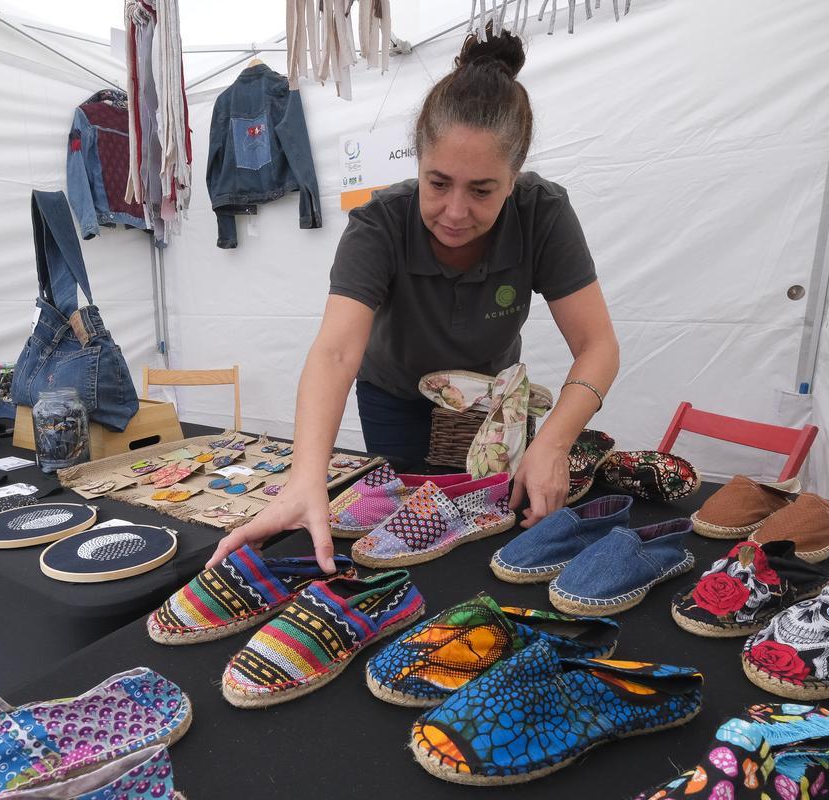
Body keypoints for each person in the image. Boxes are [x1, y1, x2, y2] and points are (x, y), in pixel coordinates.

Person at [207, 26, 619, 573]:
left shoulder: (542, 212)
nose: (454, 212)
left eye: (482, 190)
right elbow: (334, 353)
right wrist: (306, 476)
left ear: (514, 179)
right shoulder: (378, 225)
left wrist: (556, 443)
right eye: (438, 182)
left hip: (488, 409)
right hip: (394, 399)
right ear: (417, 163)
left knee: (483, 533)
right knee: (400, 538)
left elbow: (598, 345)